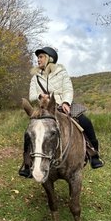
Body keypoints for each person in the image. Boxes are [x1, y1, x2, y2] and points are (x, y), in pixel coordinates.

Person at [19, 46, 104, 178]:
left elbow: (68, 89)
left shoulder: (61, 72)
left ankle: (94, 154)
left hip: (63, 104)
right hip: (44, 108)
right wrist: (41, 96)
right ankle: (27, 163)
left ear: (49, 59)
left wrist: (66, 102)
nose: (38, 60)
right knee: (30, 131)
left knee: (85, 122)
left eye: (41, 57)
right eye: (38, 57)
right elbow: (32, 95)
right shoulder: (35, 77)